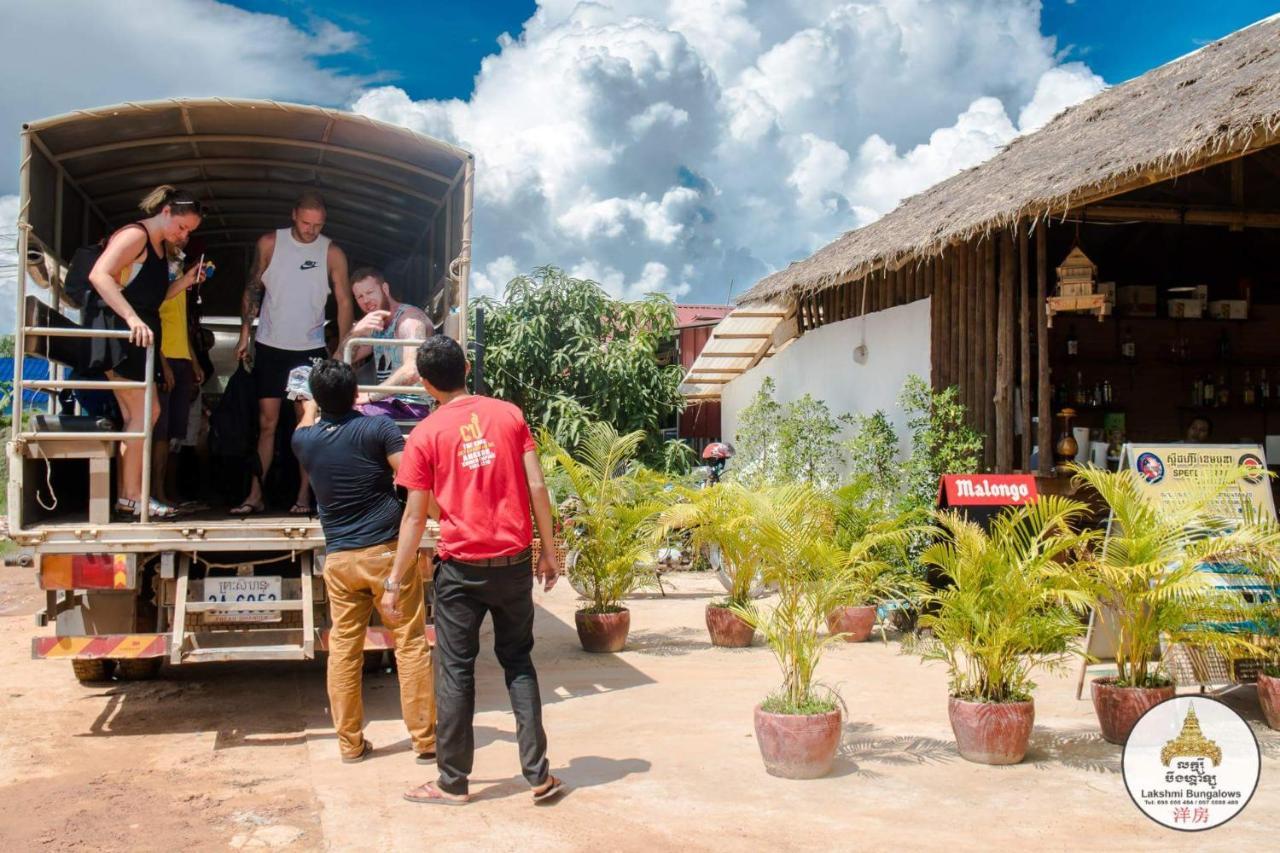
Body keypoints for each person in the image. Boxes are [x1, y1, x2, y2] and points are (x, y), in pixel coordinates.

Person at [386, 336, 564, 806]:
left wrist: (395, 578)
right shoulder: (509, 414)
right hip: (512, 566)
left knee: (456, 672)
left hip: (460, 571)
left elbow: (412, 516)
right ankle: (539, 777)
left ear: (425, 385)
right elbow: (538, 486)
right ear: (467, 367)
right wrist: (549, 551)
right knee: (518, 663)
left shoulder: (424, 435)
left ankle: (453, 783)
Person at [292, 360, 435, 764]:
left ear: (319, 399)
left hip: (339, 560)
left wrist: (308, 404)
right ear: (356, 392)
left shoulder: (304, 441)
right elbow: (411, 476)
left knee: (344, 651)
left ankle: (349, 744)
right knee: (409, 644)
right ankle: (424, 740)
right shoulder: (378, 429)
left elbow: (305, 421)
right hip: (387, 556)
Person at [84, 185, 208, 519]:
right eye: (181, 227)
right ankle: (133, 496)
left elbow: (156, 297)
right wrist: (131, 317)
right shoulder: (135, 235)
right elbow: (99, 275)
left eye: (189, 232)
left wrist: (185, 282)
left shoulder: (159, 248)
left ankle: (130, 496)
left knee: (142, 416)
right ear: (166, 212)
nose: (182, 235)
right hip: (121, 337)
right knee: (145, 414)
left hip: (139, 339)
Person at [233, 192, 353, 516]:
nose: (311, 230)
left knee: (306, 422)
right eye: (305, 223)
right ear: (293, 215)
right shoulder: (270, 242)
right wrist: (245, 333)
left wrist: (342, 347)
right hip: (270, 346)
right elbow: (252, 288)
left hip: (309, 350)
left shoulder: (332, 252)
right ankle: (255, 494)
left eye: (318, 225)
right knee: (267, 423)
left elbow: (343, 301)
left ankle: (304, 497)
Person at [152, 238, 206, 510]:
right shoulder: (154, 279)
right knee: (158, 433)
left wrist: (193, 360)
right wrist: (161, 363)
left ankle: (166, 494)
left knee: (174, 435)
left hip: (182, 358)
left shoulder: (179, 282)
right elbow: (150, 320)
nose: (183, 240)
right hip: (164, 358)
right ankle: (154, 494)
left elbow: (181, 325)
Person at [340, 267, 435, 420]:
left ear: (385, 289)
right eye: (360, 296)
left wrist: (370, 395)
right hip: (387, 403)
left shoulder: (409, 319)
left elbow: (412, 371)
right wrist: (354, 333)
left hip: (412, 406)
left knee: (348, 418)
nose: (365, 300)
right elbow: (339, 360)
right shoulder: (376, 325)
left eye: (370, 292)